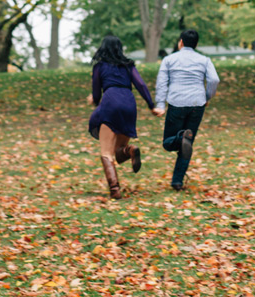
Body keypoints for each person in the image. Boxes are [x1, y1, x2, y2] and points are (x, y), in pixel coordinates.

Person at [87, 36, 162, 199]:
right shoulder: (128, 65)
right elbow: (141, 85)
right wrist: (151, 106)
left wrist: (94, 100)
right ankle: (131, 150)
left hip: (110, 102)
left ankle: (115, 190)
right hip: (129, 104)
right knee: (119, 152)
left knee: (106, 152)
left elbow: (96, 94)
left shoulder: (99, 66)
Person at [154, 29, 220, 191]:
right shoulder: (204, 60)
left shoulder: (169, 60)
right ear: (196, 44)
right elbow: (214, 79)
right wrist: (207, 97)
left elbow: (162, 83)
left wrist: (160, 105)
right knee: (187, 143)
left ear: (180, 42)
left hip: (177, 102)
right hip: (197, 103)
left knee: (168, 143)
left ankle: (180, 137)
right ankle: (177, 181)